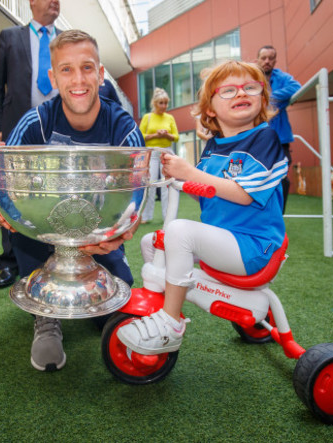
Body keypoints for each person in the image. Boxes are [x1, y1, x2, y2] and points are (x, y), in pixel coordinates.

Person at [0, 29, 145, 371]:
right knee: (25, 231)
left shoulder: (123, 128)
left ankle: (101, 289)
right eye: (66, 70)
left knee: (118, 296)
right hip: (45, 237)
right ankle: (45, 315)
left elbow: (136, 199)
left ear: (101, 74)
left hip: (97, 235)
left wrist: (119, 233)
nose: (78, 79)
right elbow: (0, 182)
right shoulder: (34, 123)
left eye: (87, 68)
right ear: (52, 77)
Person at [117, 60, 288, 355]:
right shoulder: (213, 146)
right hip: (223, 241)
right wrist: (179, 178)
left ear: (261, 98)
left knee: (178, 231)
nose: (241, 94)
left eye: (250, 87)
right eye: (229, 90)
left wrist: (190, 173)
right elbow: (209, 193)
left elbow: (245, 194)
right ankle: (168, 305)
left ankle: (170, 323)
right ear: (209, 108)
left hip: (253, 246)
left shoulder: (264, 138)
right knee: (151, 242)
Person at [0, 0, 61, 289]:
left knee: (56, 191)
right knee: (12, 192)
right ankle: (10, 261)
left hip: (58, 129)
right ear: (32, 2)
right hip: (18, 128)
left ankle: (58, 252)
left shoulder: (64, 41)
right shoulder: (10, 36)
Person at [257, 45, 301, 213]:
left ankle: (278, 215)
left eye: (270, 58)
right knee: (259, 173)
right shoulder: (253, 76)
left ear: (275, 60)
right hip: (257, 135)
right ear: (258, 59)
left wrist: (272, 98)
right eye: (264, 58)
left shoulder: (281, 77)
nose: (267, 61)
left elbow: (296, 87)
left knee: (282, 175)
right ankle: (259, 213)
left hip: (280, 137)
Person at [139, 88, 179, 223]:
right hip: (152, 153)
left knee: (167, 185)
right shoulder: (147, 117)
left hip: (166, 152)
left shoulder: (170, 117)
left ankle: (167, 216)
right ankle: (146, 216)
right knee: (150, 184)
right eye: (161, 103)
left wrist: (166, 134)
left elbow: (176, 137)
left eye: (166, 103)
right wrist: (156, 135)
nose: (164, 106)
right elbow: (140, 136)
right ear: (155, 103)